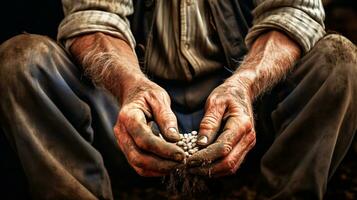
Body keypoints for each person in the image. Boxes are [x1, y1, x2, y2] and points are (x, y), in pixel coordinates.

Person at [0, 0, 356, 199]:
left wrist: (244, 85)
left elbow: (292, 12)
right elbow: (95, 18)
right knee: (21, 60)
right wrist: (131, 86)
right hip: (126, 115)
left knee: (340, 60)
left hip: (248, 115)